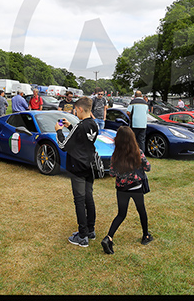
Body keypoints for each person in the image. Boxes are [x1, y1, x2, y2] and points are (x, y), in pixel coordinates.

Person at [54, 97, 99, 247]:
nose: (75, 112)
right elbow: (83, 138)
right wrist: (70, 127)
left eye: (75, 110)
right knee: (88, 198)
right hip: (90, 166)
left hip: (78, 167)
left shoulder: (80, 127)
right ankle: (91, 230)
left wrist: (59, 131)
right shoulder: (94, 124)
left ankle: (82, 235)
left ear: (80, 109)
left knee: (79, 200)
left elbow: (63, 145)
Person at [101, 126, 152, 255]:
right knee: (141, 211)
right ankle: (146, 235)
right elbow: (148, 167)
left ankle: (109, 237)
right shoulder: (137, 152)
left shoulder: (115, 155)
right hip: (136, 187)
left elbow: (112, 173)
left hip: (121, 188)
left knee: (121, 214)